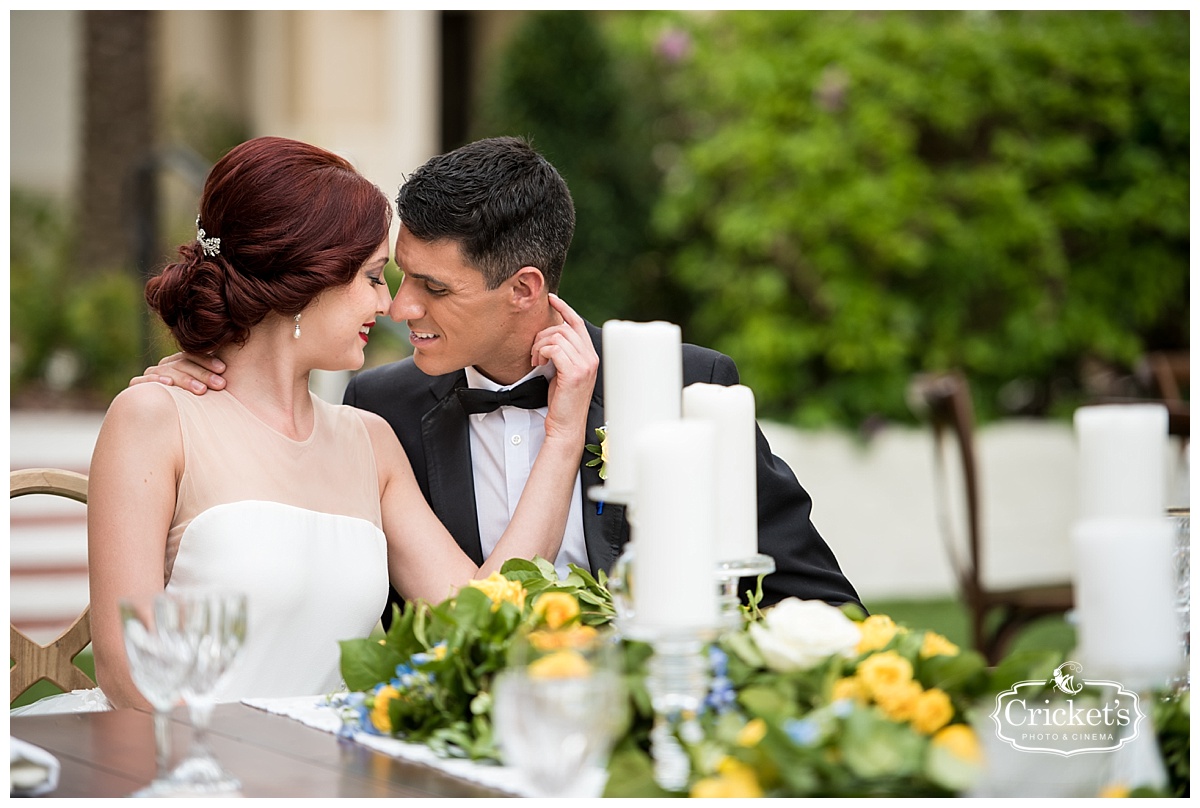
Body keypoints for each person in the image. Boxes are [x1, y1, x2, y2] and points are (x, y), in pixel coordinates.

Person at [137, 136, 863, 621]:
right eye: (391, 277)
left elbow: (822, 606)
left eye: (433, 288)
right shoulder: (378, 410)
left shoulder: (686, 390)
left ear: (523, 289)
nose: (400, 307)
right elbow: (452, 621)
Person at [19, 136, 597, 715]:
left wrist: (563, 437)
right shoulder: (155, 417)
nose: (390, 306)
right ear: (304, 280)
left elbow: (485, 617)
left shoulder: (370, 441)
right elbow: (128, 672)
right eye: (374, 278)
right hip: (185, 766)